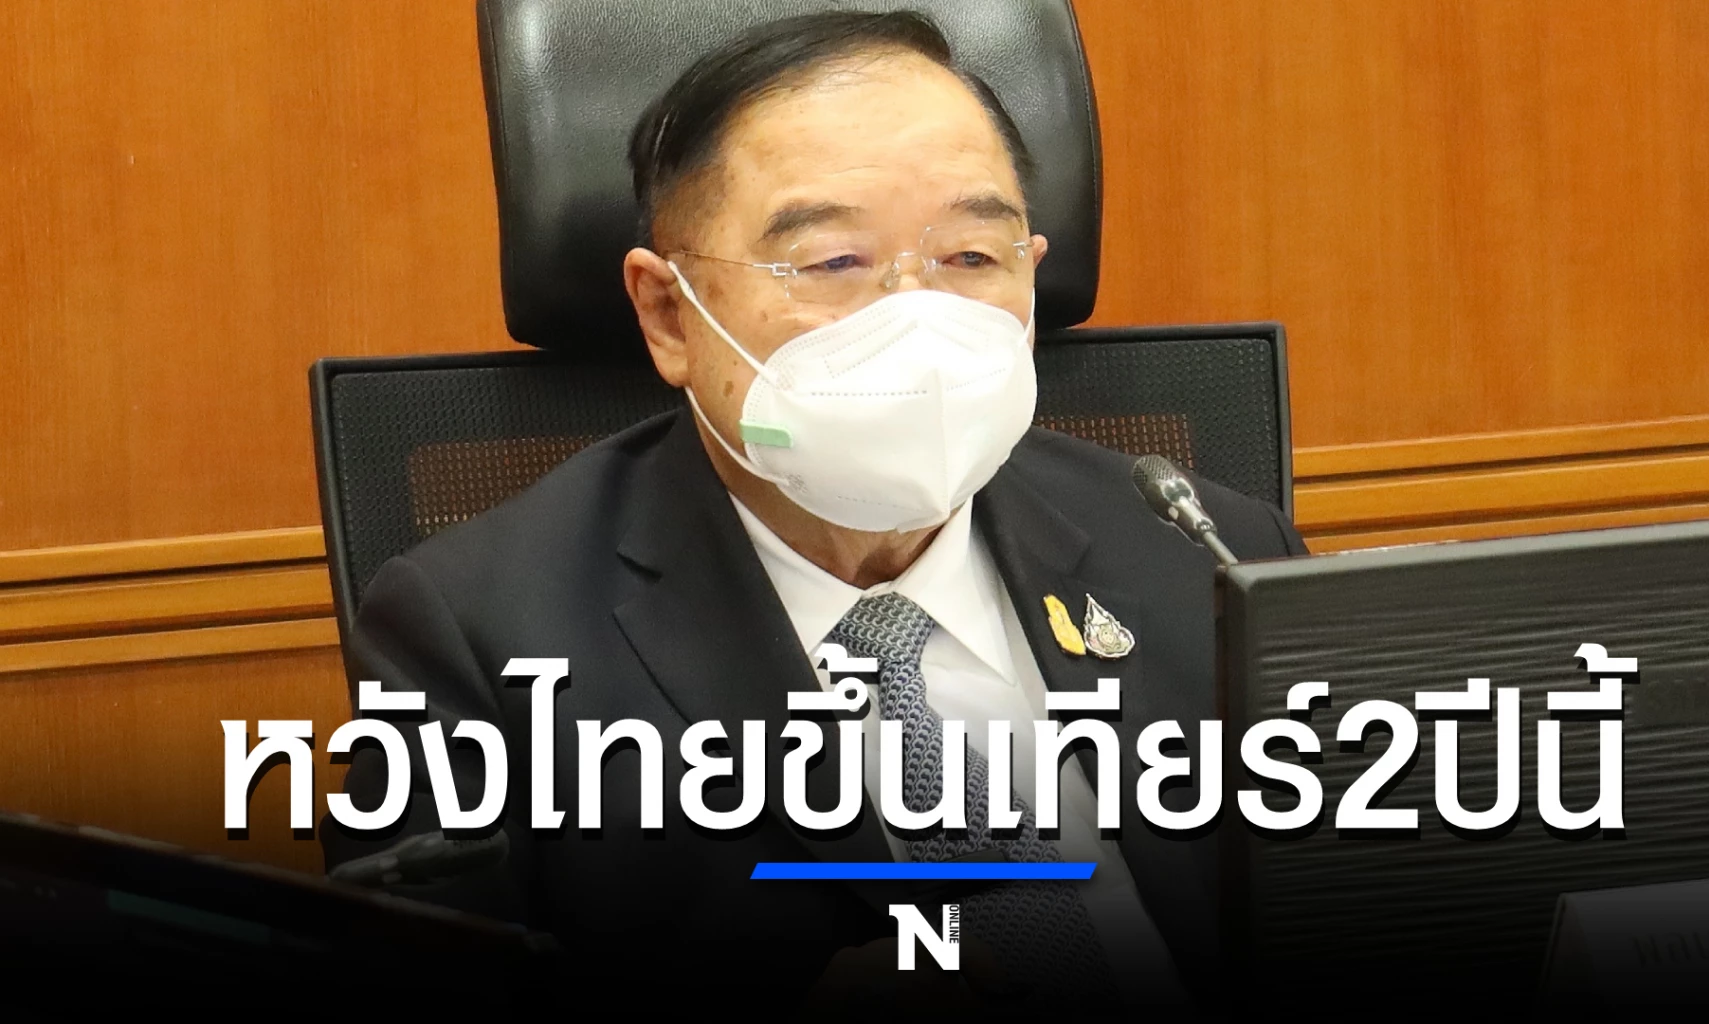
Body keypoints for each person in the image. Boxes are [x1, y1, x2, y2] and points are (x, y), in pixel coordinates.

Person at [324, 9, 1306, 1015]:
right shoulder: (482, 639)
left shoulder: (1209, 550)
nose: (916, 317)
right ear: (669, 313)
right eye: (832, 263)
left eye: (973, 257)